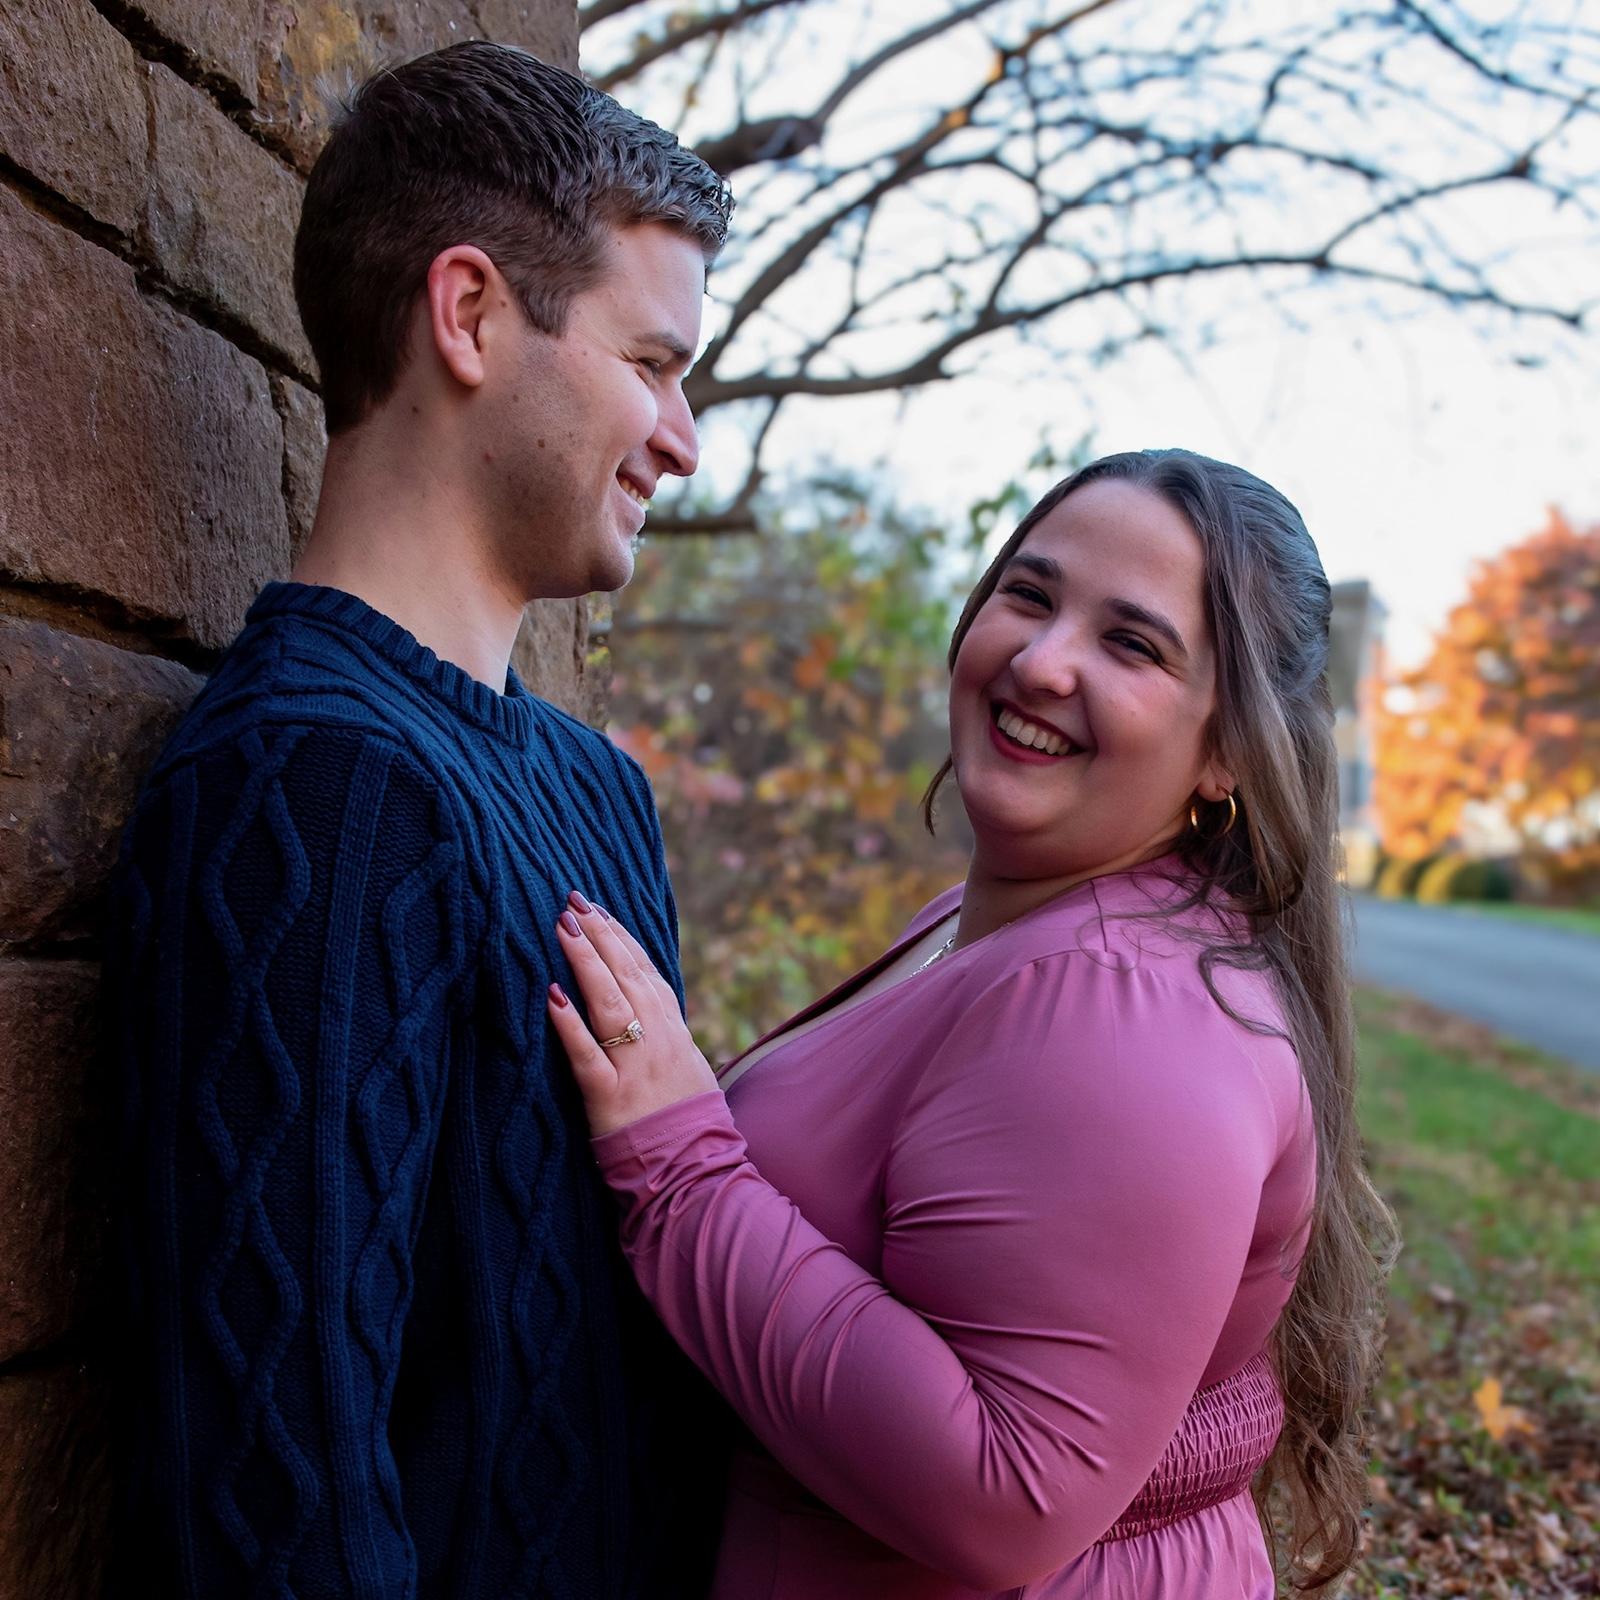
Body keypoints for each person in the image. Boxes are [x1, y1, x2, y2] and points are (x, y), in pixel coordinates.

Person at [103, 42, 734, 1599]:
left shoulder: (593, 788)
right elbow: (281, 1513)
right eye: (651, 363)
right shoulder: (310, 784)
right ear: (469, 314)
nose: (683, 436)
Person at [547, 448, 1398, 1598]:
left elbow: (1006, 1491)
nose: (1041, 661)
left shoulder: (1123, 1013)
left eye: (1132, 644)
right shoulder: (996, 920)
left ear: (1227, 752)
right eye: (1029, 594)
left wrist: (680, 1166)